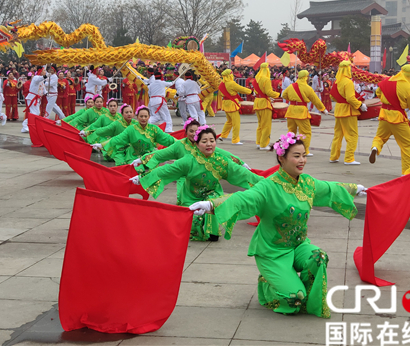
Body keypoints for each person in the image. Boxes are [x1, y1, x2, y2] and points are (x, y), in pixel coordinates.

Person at [188, 132, 365, 317]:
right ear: (281, 158)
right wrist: (211, 205)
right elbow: (244, 199)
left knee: (319, 257)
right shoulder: (268, 187)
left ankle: (307, 295)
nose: (302, 160)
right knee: (294, 298)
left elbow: (330, 189)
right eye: (296, 156)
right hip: (271, 252)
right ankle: (267, 286)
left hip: (298, 246)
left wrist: (354, 189)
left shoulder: (307, 183)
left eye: (304, 155)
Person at [131, 126, 262, 241]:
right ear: (197, 144)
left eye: (212, 141)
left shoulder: (221, 161)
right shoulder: (188, 160)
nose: (209, 144)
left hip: (213, 194)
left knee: (213, 224)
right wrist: (143, 177)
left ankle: (212, 225)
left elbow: (243, 173)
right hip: (190, 196)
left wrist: (265, 183)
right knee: (192, 224)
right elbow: (166, 170)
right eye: (204, 141)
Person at [368, 64, 410, 174]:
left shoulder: (387, 81)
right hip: (397, 117)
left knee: (380, 136)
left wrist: (386, 101)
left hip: (384, 113)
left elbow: (378, 92)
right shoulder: (407, 86)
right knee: (407, 145)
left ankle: (375, 148)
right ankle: (407, 172)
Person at [100, 106, 176, 166]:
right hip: (134, 156)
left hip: (149, 155)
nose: (143, 118)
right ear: (137, 117)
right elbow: (118, 138)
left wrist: (182, 143)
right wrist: (102, 144)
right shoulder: (131, 129)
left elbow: (167, 138)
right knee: (137, 170)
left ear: (149, 117)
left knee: (153, 171)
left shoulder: (154, 129)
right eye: (141, 116)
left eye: (145, 116)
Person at [281, 70, 328, 157]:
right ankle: (304, 150)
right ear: (305, 77)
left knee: (291, 131)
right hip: (301, 111)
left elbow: (284, 95)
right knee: (305, 132)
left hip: (291, 111)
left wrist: (292, 98)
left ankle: (287, 149)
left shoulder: (291, 86)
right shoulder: (307, 88)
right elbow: (315, 100)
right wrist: (323, 109)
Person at [329, 61, 367, 165]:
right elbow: (350, 98)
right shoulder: (348, 82)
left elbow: (332, 96)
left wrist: (341, 102)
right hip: (348, 110)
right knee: (352, 135)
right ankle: (349, 158)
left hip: (339, 109)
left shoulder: (337, 82)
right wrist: (360, 105)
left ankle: (333, 157)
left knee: (338, 135)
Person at [219, 69, 252, 145]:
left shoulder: (222, 84)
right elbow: (241, 89)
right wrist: (250, 91)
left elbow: (220, 94)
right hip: (232, 104)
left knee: (229, 121)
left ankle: (223, 136)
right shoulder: (232, 83)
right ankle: (235, 140)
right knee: (236, 123)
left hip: (225, 103)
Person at [253, 63, 280, 150]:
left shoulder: (256, 79)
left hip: (257, 102)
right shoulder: (266, 79)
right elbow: (268, 92)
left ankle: (259, 142)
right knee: (266, 125)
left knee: (260, 124)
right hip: (264, 104)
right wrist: (278, 94)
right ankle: (264, 144)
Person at [21, 66, 46, 133]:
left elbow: (42, 87)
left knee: (36, 113)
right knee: (34, 113)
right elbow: (41, 78)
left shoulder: (41, 79)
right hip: (32, 97)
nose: (45, 72)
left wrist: (45, 93)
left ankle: (25, 125)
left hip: (37, 98)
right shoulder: (36, 77)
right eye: (44, 71)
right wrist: (46, 75)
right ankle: (27, 125)